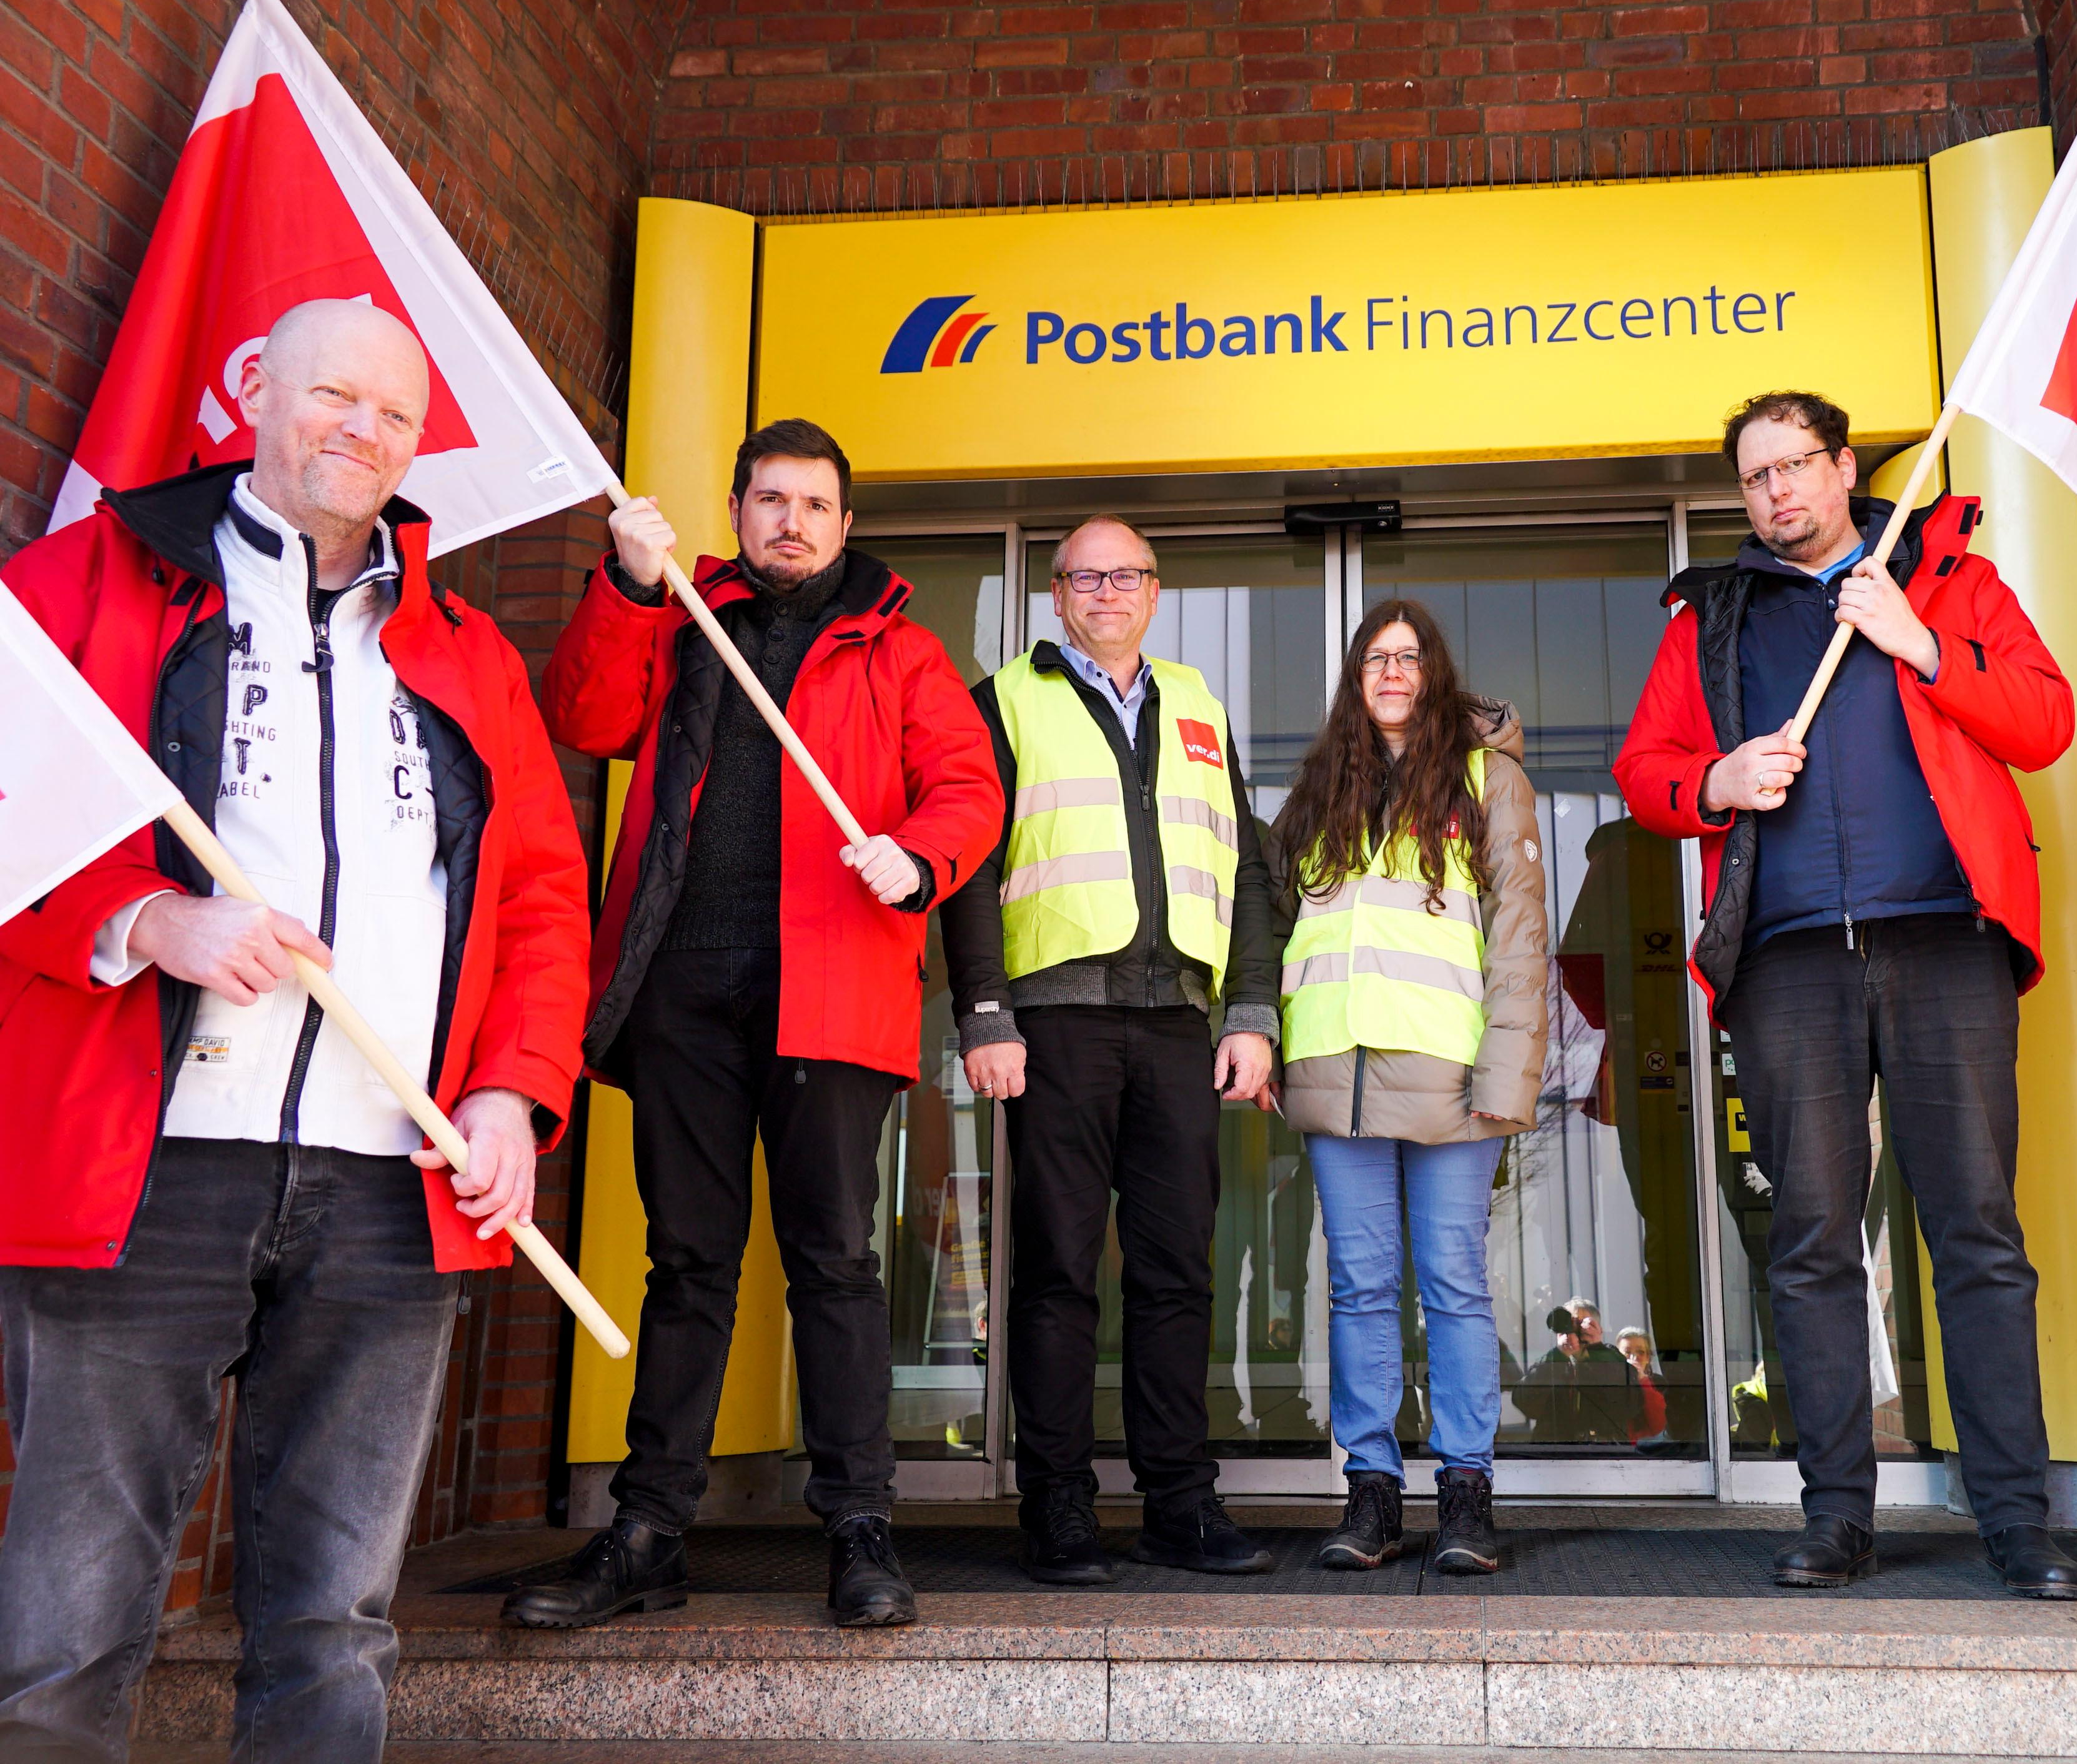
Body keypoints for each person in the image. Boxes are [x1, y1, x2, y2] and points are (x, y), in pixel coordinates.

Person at [0, 299, 592, 1758]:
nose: (362, 432)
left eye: (394, 415)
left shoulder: (466, 652)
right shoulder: (84, 584)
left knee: (334, 1624)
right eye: (333, 393)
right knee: (70, 1625)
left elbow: (537, 902)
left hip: (398, 1176)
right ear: (253, 387)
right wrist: (148, 920)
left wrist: (513, 1097)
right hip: (149, 1169)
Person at [511, 418, 1003, 1630]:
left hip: (830, 990)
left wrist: (920, 856)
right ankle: (646, 1531)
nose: (791, 521)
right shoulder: (681, 612)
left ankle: (858, 1527)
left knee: (834, 1264)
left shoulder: (899, 646)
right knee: (687, 1263)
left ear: (845, 523)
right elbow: (584, 714)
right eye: (769, 499)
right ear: (737, 511)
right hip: (685, 985)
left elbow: (970, 789)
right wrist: (627, 585)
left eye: (814, 504)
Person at [1615, 389, 2077, 1599]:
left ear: (1841, 469)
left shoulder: (1942, 578)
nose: (1774, 491)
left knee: (1974, 1233)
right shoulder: (1710, 616)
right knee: (1812, 1241)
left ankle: (2016, 1524)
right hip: (1785, 964)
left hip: (1941, 942)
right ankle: (1834, 1517)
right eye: (1754, 476)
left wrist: (1917, 643)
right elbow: (1644, 772)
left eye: (1794, 466)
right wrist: (1715, 779)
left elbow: (2042, 722)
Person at [939, 514, 1283, 1583]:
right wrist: (985, 1013)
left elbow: (1249, 870)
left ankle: (1180, 1502)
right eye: (1085, 576)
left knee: (1179, 1270)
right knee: (1055, 1273)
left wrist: (1254, 1013)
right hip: (1058, 1023)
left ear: (1155, 589)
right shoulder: (1003, 699)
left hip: (1181, 1019)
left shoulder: (1196, 702)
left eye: (1126, 574)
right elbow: (969, 863)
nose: (1106, 592)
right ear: (1056, 596)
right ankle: (1058, 1509)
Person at [1266, 600, 1547, 1577]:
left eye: (1409, 656)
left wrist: (1507, 1076)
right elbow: (1282, 933)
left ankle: (1465, 1493)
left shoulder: (1488, 779)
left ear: (1436, 673)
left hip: (1450, 1077)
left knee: (1457, 1287)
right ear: (1357, 677)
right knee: (1359, 1287)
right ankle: (1373, 1493)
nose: (1392, 672)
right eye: (1375, 658)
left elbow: (1517, 945)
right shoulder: (1316, 792)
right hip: (1337, 1072)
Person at [1514, 1296, 1647, 1451]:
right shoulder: (1552, 1361)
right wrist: (1559, 1355)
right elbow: (1524, 1402)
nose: (1574, 1331)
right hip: (1554, 1457)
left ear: (1599, 1329)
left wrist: (1595, 1350)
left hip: (1605, 1453)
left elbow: (1630, 1404)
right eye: (1569, 1324)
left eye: (1581, 1325)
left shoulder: (1611, 1358)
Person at [1615, 1327, 1671, 1445]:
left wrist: (1642, 1380)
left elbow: (1660, 1426)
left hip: (1649, 1450)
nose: (1633, 1358)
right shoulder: (1611, 1383)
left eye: (1640, 1352)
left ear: (1648, 1358)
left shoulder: (1659, 1383)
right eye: (1627, 1352)